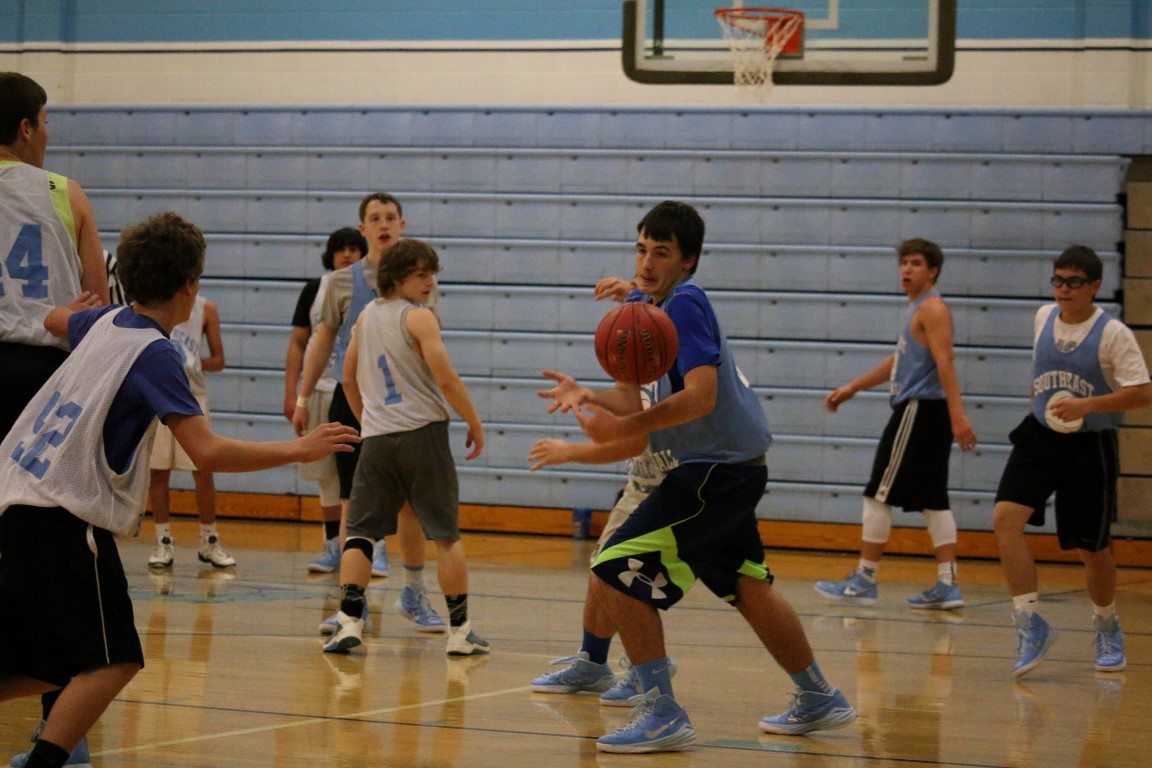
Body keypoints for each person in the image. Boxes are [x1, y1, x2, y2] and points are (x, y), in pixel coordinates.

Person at [0, 211, 359, 768]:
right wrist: (298, 449)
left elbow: (52, 320)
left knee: (51, 661)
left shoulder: (106, 321)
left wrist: (71, 309)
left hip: (18, 498)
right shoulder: (154, 353)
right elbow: (206, 452)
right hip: (61, 513)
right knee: (113, 661)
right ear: (190, 286)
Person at [539, 200, 855, 753]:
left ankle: (662, 712)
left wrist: (628, 425)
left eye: (661, 252)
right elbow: (637, 397)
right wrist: (590, 394)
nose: (647, 262)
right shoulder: (646, 307)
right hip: (726, 469)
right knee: (748, 587)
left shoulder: (685, 303)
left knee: (613, 565)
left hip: (715, 470)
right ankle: (819, 696)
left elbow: (700, 397)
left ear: (687, 261)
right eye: (641, 249)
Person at [2, 71, 109, 768]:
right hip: (47, 380)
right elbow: (96, 301)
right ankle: (62, 734)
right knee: (57, 554)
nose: (48, 134)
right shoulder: (64, 192)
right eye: (45, 121)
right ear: (25, 127)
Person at [320, 238, 489, 657]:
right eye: (421, 275)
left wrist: (369, 420)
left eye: (432, 274)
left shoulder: (365, 317)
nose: (430, 282)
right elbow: (445, 377)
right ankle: (460, 630)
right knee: (445, 535)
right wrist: (473, 420)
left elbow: (347, 378)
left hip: (377, 440)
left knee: (360, 532)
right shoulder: (419, 317)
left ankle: (348, 621)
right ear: (397, 278)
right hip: (422, 435)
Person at [992, 245, 1152, 678]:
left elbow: (1142, 392)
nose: (1063, 289)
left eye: (1074, 282)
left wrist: (1087, 405)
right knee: (1005, 518)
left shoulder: (1113, 333)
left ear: (1094, 286)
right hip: (1039, 437)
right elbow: (1041, 374)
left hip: (1089, 446)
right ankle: (1030, 622)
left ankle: (1107, 626)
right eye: (1058, 280)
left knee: (1092, 549)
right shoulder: (1044, 317)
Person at [292, 193, 445, 634]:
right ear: (363, 229)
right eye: (375, 218)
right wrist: (303, 398)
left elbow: (431, 348)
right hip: (354, 398)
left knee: (411, 506)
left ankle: (414, 592)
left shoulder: (421, 279)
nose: (383, 224)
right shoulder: (341, 282)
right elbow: (322, 341)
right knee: (352, 503)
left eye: (390, 217)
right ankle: (351, 605)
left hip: (406, 406)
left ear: (402, 224)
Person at [814, 239, 977, 609]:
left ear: (933, 271)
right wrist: (854, 387)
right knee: (934, 500)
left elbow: (946, 362)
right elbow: (899, 361)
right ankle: (948, 584)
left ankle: (864, 579)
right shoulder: (919, 309)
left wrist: (958, 416)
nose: (906, 269)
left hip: (919, 410)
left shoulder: (932, 308)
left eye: (916, 263)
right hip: (928, 412)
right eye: (904, 262)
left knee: (877, 494)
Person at [526, 401, 671, 706]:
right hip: (639, 488)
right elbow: (626, 399)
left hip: (677, 493)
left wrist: (570, 451)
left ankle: (647, 672)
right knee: (601, 571)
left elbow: (633, 442)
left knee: (630, 581)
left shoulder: (678, 381)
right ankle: (593, 663)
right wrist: (589, 395)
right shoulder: (640, 382)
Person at [284, 227, 367, 573]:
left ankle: (370, 544)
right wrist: (293, 392)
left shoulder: (372, 288)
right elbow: (298, 343)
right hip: (320, 387)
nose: (347, 254)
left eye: (353, 248)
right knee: (326, 474)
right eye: (340, 249)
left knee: (363, 470)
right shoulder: (314, 290)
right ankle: (332, 543)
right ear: (330, 255)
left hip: (359, 390)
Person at [146, 292, 233, 568]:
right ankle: (163, 542)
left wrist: (193, 363)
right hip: (160, 394)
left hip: (194, 396)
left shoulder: (206, 308)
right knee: (158, 472)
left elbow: (219, 360)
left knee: (204, 469)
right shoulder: (153, 302)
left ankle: (209, 540)